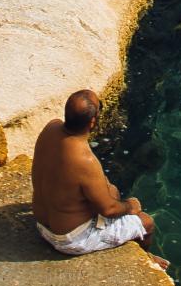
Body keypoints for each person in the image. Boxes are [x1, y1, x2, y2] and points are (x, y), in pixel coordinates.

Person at [31, 88, 158, 258]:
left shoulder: (50, 128)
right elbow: (109, 209)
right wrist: (130, 206)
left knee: (111, 190)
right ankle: (146, 260)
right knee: (147, 223)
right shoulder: (85, 160)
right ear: (92, 122)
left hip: (41, 224)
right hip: (70, 240)